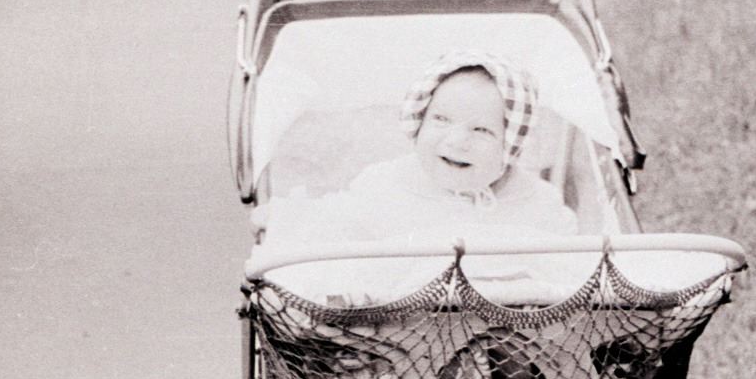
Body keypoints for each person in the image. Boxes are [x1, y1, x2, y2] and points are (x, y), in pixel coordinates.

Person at [249, 51, 582, 303]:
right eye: (440, 119)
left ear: (510, 146)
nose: (456, 140)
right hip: (405, 341)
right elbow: (336, 222)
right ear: (418, 121)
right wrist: (285, 219)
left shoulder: (537, 200)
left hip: (517, 344)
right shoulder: (387, 184)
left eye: (481, 130)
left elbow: (571, 261)